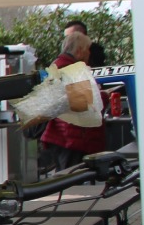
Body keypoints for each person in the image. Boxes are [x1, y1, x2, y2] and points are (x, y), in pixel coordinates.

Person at [37, 24, 106, 175]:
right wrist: (104, 96)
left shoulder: (59, 65)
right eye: (88, 49)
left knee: (68, 178)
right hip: (72, 137)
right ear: (80, 51)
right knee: (72, 180)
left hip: (65, 135)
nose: (89, 54)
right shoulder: (71, 69)